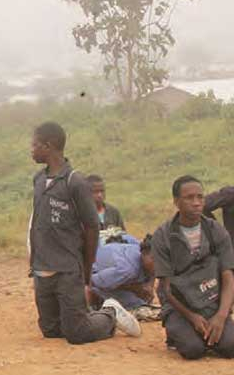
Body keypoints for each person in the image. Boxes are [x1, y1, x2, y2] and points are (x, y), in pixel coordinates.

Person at [28, 122, 140, 344]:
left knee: (76, 334)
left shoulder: (75, 182)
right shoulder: (39, 180)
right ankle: (80, 315)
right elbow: (38, 223)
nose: (31, 149)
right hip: (43, 269)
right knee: (51, 330)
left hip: (68, 268)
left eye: (34, 145)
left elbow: (91, 227)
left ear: (48, 146)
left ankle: (110, 313)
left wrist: (86, 271)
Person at [152, 176, 234, 360]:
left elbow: (228, 276)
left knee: (230, 347)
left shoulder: (216, 231)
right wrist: (192, 317)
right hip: (180, 305)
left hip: (212, 302)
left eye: (200, 197)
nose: (196, 203)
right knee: (192, 350)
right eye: (189, 198)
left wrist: (221, 316)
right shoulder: (163, 236)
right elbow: (166, 288)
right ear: (176, 202)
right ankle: (176, 332)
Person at [91, 234, 159, 320]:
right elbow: (92, 281)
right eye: (155, 259)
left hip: (113, 274)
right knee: (136, 304)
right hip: (91, 273)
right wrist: (134, 288)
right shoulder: (127, 270)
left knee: (142, 299)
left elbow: (153, 271)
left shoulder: (139, 247)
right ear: (144, 253)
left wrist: (149, 285)